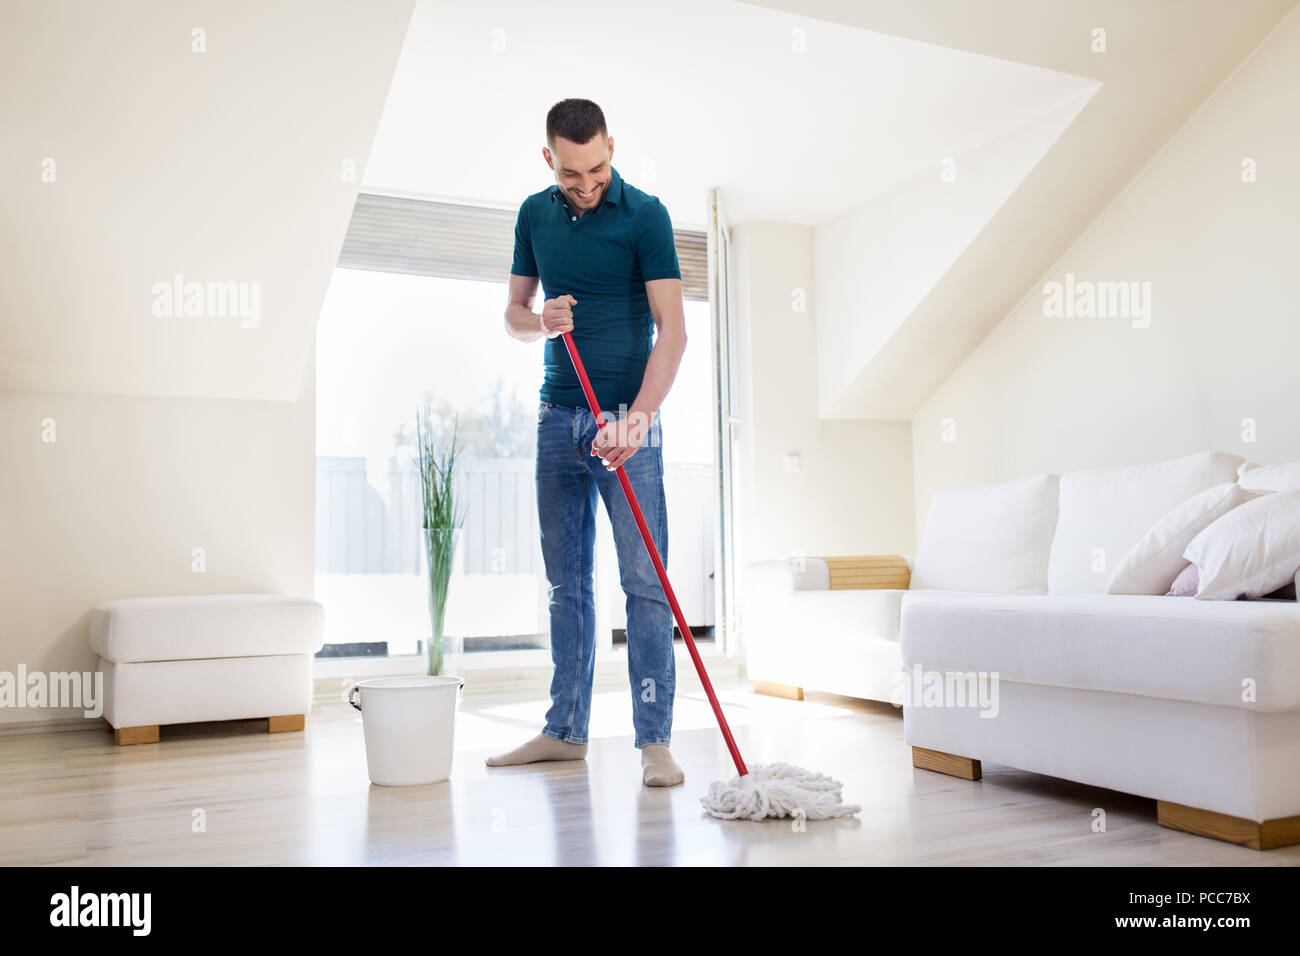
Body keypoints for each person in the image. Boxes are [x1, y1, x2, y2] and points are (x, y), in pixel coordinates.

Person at [493, 98, 688, 787]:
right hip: (558, 420)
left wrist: (638, 417)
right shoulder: (533, 214)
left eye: (598, 168)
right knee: (565, 585)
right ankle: (564, 730)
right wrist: (539, 320)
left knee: (645, 582)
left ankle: (654, 741)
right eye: (572, 173)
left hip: (627, 424)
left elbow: (674, 330)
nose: (587, 184)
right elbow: (514, 316)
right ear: (550, 160)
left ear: (612, 147)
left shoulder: (646, 215)